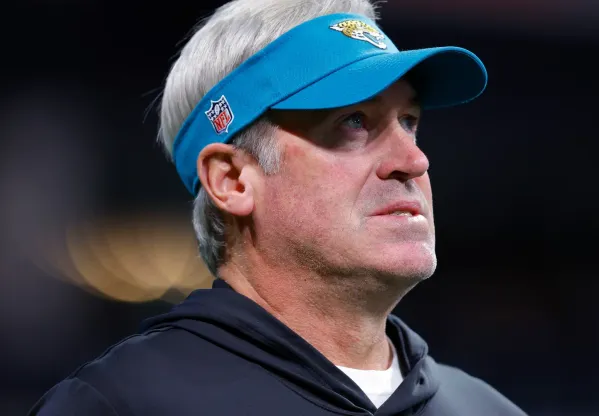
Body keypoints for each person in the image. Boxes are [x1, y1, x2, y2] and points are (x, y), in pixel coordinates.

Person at [30, 0, 527, 415]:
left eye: (410, 121)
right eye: (354, 121)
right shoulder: (119, 404)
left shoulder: (489, 410)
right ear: (232, 180)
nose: (413, 160)